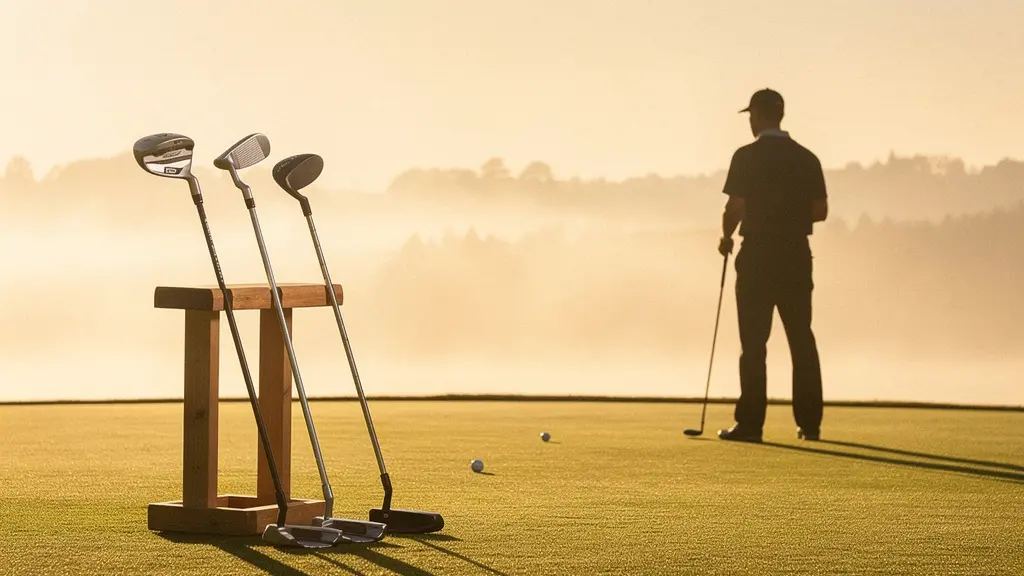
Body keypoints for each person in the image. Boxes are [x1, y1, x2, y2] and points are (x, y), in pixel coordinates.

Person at [716, 88, 828, 443]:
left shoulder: (746, 157)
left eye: (751, 115)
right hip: (795, 255)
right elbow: (820, 211)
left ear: (759, 116)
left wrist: (726, 237)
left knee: (754, 343)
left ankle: (751, 424)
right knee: (801, 340)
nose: (749, 121)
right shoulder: (806, 158)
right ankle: (809, 424)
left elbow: (735, 207)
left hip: (758, 258)